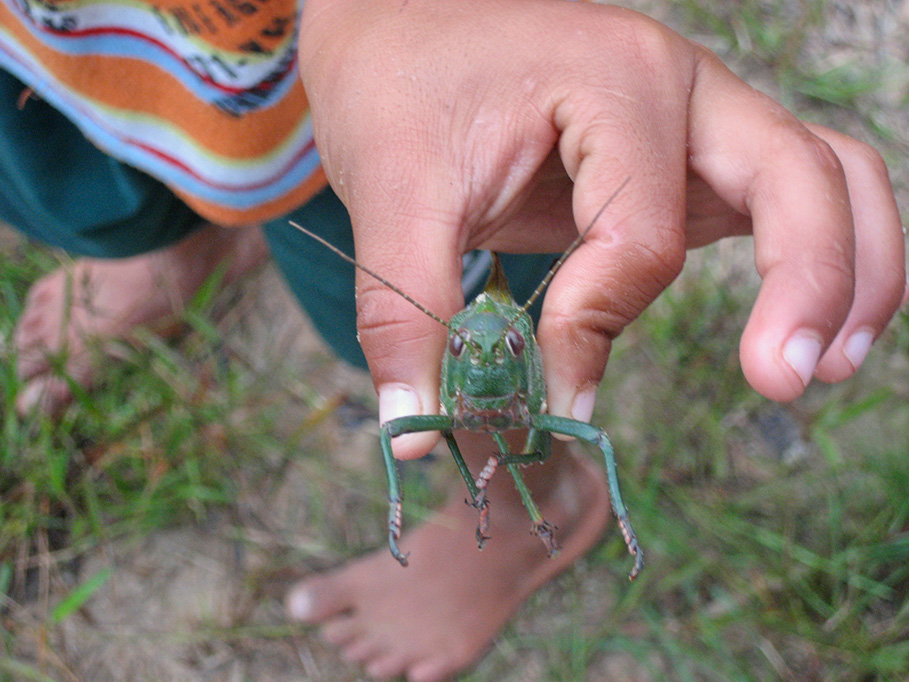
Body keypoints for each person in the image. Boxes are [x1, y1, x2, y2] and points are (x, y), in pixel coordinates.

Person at [3, 0, 905, 681]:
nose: (478, 354)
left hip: (335, 96)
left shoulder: (483, 333)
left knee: (423, 355)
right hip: (67, 64)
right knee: (88, 188)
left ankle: (533, 513)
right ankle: (186, 233)